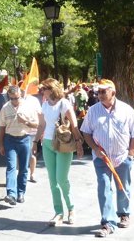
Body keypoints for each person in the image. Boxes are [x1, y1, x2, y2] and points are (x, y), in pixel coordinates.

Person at [80, 79, 134, 238]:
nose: (99, 94)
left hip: (122, 157)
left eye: (103, 92)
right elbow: (86, 132)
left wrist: (130, 155)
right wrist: (95, 149)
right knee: (104, 187)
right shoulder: (93, 111)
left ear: (113, 92)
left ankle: (123, 213)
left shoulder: (126, 110)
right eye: (98, 92)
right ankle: (107, 222)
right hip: (101, 159)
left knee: (123, 187)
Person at [40, 78, 85, 227]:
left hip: (62, 144)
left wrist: (79, 143)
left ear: (51, 89)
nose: (42, 91)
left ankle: (71, 209)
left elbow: (74, 124)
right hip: (46, 143)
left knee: (61, 179)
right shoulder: (45, 104)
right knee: (53, 182)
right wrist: (35, 142)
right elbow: (42, 124)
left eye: (44, 88)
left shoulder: (63, 103)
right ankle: (58, 212)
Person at [0, 85, 40, 205]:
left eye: (17, 98)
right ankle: (11, 193)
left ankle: (21, 192)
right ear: (9, 98)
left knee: (23, 168)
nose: (15, 101)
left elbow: (37, 124)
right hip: (10, 139)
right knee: (11, 167)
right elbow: (1, 127)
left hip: (25, 139)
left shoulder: (28, 106)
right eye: (12, 99)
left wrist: (25, 122)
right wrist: (0, 145)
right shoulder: (5, 108)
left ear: (21, 95)